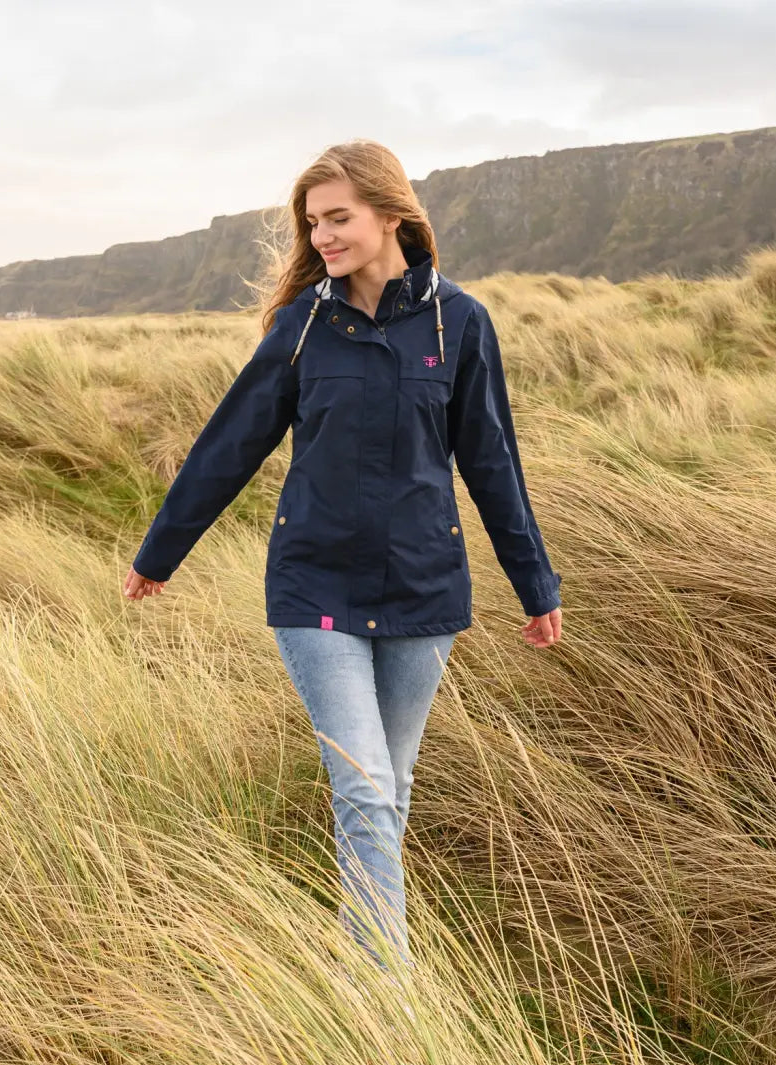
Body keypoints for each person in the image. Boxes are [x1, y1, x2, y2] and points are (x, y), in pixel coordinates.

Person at [123, 139, 563, 978]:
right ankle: (381, 995)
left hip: (422, 592)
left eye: (339, 217)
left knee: (388, 794)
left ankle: (358, 957)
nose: (322, 236)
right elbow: (229, 446)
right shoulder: (301, 329)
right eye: (312, 222)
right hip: (313, 584)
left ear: (392, 214)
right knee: (363, 790)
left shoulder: (458, 323)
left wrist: (534, 584)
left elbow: (492, 461)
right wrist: (161, 553)